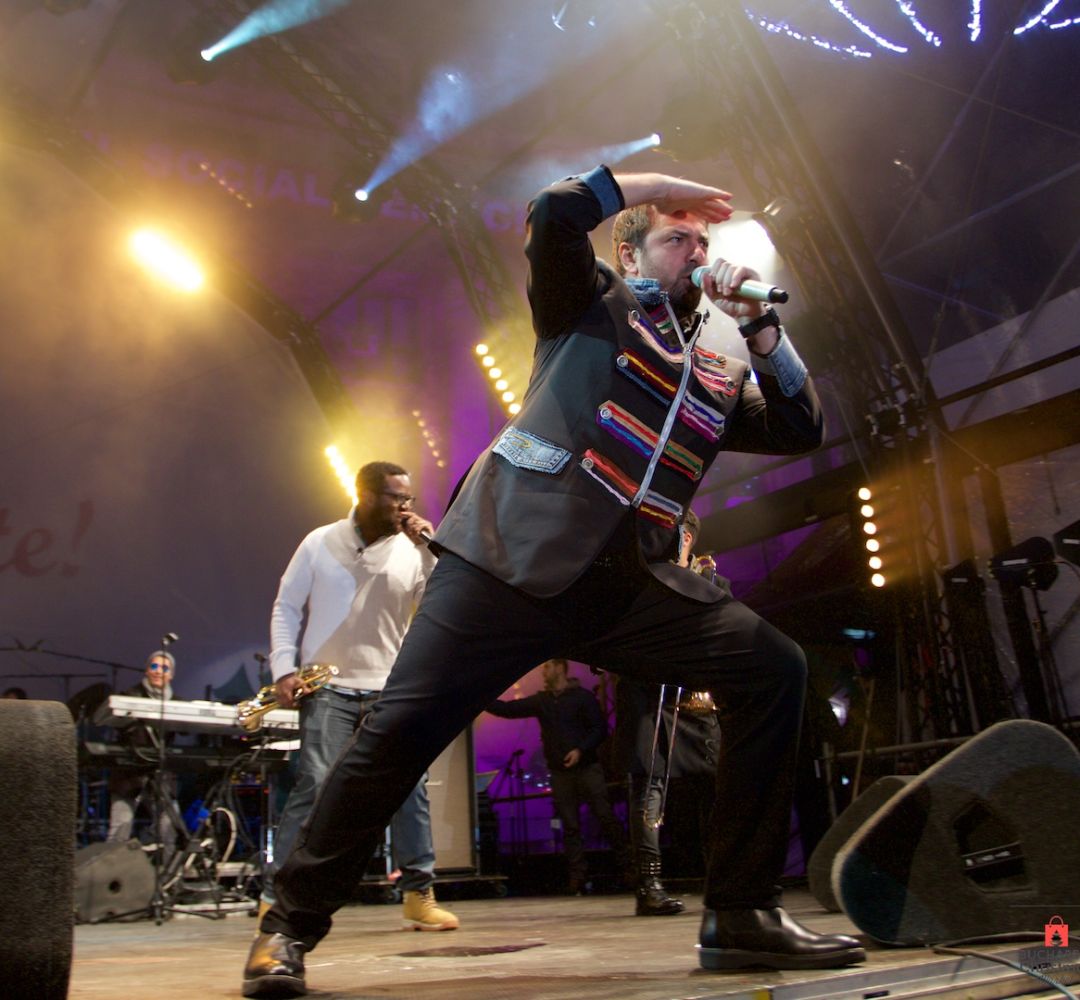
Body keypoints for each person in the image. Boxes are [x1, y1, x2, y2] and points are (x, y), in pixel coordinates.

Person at [243, 166, 864, 998]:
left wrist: (759, 326)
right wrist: (662, 181)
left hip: (626, 584)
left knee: (774, 668)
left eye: (703, 241)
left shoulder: (718, 366)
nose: (695, 252)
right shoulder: (592, 302)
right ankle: (287, 927)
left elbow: (800, 427)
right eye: (676, 237)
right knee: (395, 739)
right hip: (505, 559)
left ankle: (742, 914)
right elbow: (555, 211)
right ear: (631, 252)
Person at [258, 461, 459, 936]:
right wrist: (283, 668)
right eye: (396, 498)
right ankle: (276, 897)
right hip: (326, 688)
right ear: (366, 496)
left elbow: (441, 601)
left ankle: (418, 894)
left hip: (390, 688)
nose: (405, 507)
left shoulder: (412, 550)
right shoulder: (319, 542)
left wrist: (428, 549)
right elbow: (286, 606)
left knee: (408, 788)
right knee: (315, 785)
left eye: (409, 498)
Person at [614, 510, 721, 917]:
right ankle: (650, 885)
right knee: (649, 788)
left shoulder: (712, 582)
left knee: (716, 788)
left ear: (686, 538)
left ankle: (723, 877)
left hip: (694, 703)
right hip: (649, 699)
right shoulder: (638, 580)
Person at [487, 658, 630, 894]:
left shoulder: (582, 697)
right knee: (570, 825)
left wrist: (580, 749)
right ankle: (577, 877)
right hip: (560, 772)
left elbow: (600, 728)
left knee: (605, 816)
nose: (543, 671)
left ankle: (629, 868)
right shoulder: (542, 700)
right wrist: (480, 701)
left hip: (587, 768)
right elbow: (509, 710)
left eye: (547, 666)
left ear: (560, 668)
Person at [106, 650, 181, 852]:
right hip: (129, 774)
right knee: (120, 830)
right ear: (147, 671)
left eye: (164, 668)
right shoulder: (130, 696)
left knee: (169, 828)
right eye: (154, 666)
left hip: (161, 775)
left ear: (171, 675)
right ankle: (112, 869)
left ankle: (169, 871)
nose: (158, 671)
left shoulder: (177, 702)